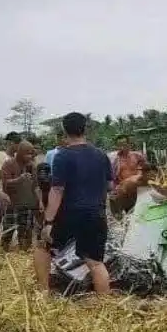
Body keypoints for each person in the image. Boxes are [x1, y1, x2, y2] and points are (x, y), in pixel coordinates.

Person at [42, 112, 114, 295]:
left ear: (64, 130)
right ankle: (106, 307)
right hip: (96, 214)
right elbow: (110, 186)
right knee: (96, 263)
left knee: (42, 245)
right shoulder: (101, 155)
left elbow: (57, 190)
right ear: (85, 129)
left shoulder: (62, 156)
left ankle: (42, 292)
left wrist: (49, 222)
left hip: (70, 214)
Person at [0, 140, 42, 251]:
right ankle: (3, 252)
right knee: (8, 230)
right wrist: (19, 179)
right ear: (19, 153)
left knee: (26, 230)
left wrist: (39, 202)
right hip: (12, 203)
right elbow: (5, 184)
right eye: (27, 153)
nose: (30, 156)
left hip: (27, 203)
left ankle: (24, 252)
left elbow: (36, 186)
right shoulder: (9, 164)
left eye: (31, 154)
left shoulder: (32, 166)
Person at [0, 132, 22, 196]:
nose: (20, 146)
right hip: (0, 196)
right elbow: (1, 175)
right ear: (11, 143)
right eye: (18, 144)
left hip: (14, 196)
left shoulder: (18, 157)